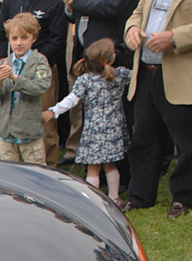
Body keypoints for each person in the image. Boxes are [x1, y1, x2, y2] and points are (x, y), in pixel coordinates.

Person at [123, 0, 192, 217]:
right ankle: (140, 196)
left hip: (185, 74)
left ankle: (183, 197)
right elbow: (138, 12)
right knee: (143, 139)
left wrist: (174, 37)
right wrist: (132, 29)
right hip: (147, 72)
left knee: (188, 143)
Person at [45, 38, 132, 202]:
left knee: (93, 168)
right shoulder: (119, 74)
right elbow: (136, 76)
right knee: (110, 165)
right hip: (114, 127)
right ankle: (115, 198)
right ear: (110, 58)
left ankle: (92, 200)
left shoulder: (85, 80)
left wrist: (54, 110)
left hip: (93, 129)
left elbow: (71, 99)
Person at [0, 0, 67, 166]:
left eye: (24, 38)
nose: (19, 41)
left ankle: (49, 171)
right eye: (15, 38)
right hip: (11, 67)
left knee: (44, 123)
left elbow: (57, 39)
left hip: (40, 68)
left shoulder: (54, 4)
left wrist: (32, 64)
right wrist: (3, 61)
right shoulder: (9, 3)